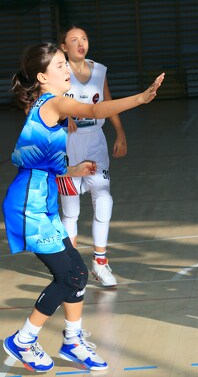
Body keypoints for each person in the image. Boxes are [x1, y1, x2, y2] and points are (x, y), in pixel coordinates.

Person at [2, 42, 164, 372]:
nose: (67, 70)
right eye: (60, 65)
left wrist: (73, 169)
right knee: (70, 275)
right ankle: (24, 340)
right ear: (42, 78)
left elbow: (42, 160)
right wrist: (140, 98)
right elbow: (94, 111)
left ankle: (72, 341)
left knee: (76, 274)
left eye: (66, 64)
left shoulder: (47, 107)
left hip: (40, 200)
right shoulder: (55, 102)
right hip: (29, 205)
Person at [56, 26, 126, 287]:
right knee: (70, 211)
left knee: (104, 200)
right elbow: (47, 102)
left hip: (95, 142)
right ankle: (71, 267)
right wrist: (63, 115)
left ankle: (100, 262)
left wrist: (120, 132)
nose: (80, 43)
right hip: (67, 145)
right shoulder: (58, 71)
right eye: (74, 40)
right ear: (64, 47)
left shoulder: (99, 70)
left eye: (84, 38)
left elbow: (107, 102)